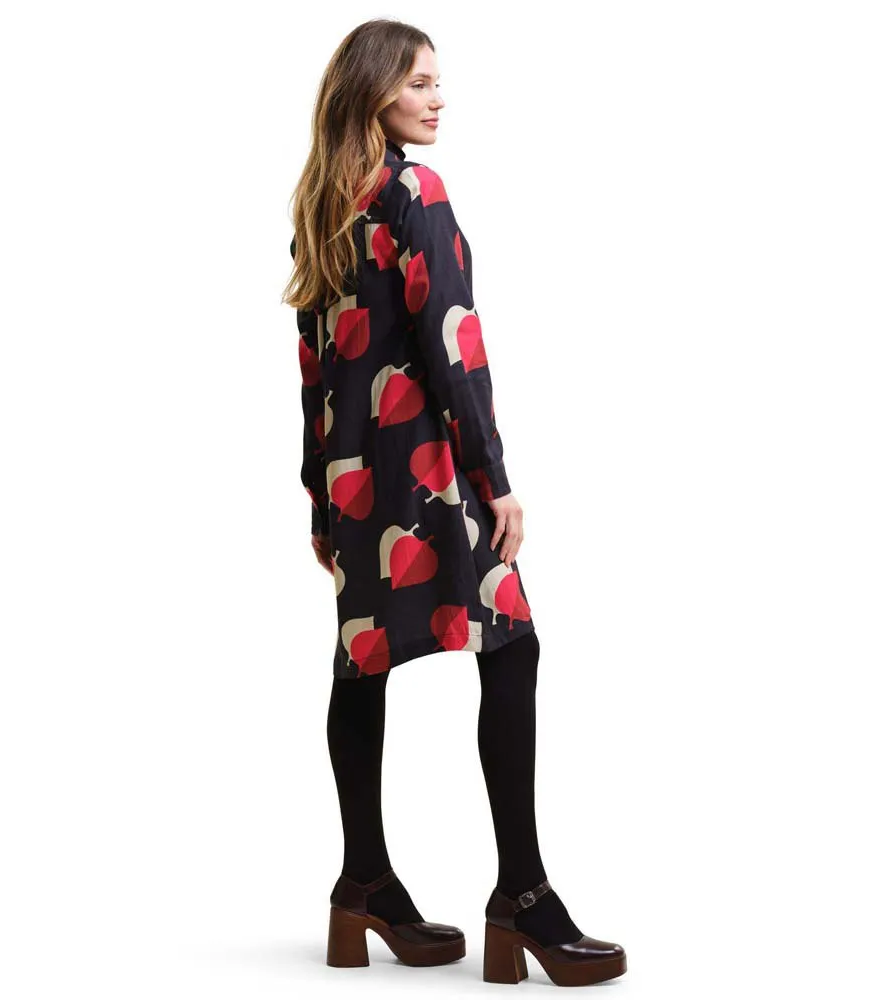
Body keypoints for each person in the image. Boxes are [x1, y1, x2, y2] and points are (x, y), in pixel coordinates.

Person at [282, 18, 626, 987]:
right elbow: (452, 341)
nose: (439, 99)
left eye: (438, 82)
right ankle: (522, 895)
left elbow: (312, 374)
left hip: (354, 479)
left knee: (362, 661)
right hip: (428, 471)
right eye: (420, 83)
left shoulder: (323, 206)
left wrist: (320, 502)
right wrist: (493, 477)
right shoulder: (412, 192)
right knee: (511, 646)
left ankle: (363, 883)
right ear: (374, 92)